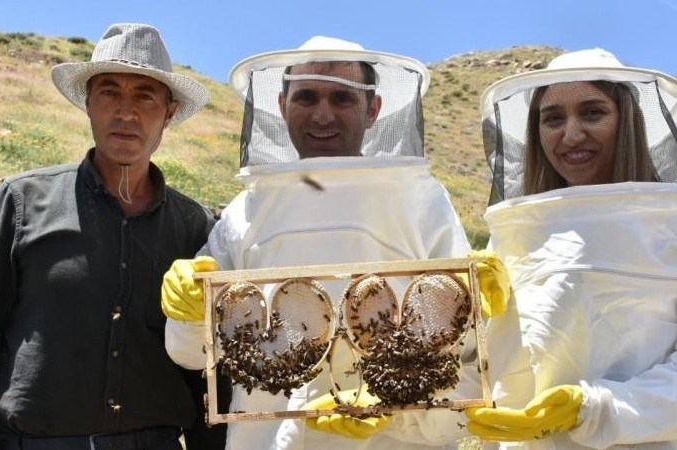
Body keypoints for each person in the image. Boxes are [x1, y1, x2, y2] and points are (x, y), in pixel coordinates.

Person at [162, 36, 508, 450]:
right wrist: (186, 311)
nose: (322, 115)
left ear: (373, 109)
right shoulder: (247, 208)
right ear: (281, 104)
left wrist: (400, 404)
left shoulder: (420, 200)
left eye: (343, 98)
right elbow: (191, 354)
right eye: (307, 97)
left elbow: (470, 360)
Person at [0, 23, 225, 450]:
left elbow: (207, 366)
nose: (126, 112)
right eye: (109, 92)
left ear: (169, 113)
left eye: (145, 96)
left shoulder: (194, 227)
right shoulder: (23, 200)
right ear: (88, 103)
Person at [468, 48, 677, 448]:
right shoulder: (516, 233)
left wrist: (596, 409)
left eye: (593, 112)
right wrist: (459, 305)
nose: (572, 134)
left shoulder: (668, 221)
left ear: (627, 120)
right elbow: (484, 364)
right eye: (553, 119)